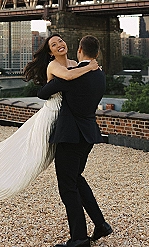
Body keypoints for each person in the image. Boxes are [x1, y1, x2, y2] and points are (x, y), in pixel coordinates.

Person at [0, 34, 99, 200]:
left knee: (47, 161)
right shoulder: (53, 66)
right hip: (51, 115)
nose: (59, 45)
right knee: (31, 156)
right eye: (54, 45)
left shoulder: (74, 64)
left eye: (61, 40)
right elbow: (68, 77)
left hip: (66, 119)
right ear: (51, 52)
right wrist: (91, 67)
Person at [37, 35, 113, 247]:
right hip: (87, 136)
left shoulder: (73, 75)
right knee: (77, 179)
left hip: (70, 138)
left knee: (67, 187)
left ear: (80, 50)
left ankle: (79, 238)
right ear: (96, 54)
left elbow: (43, 92)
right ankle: (101, 225)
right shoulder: (100, 74)